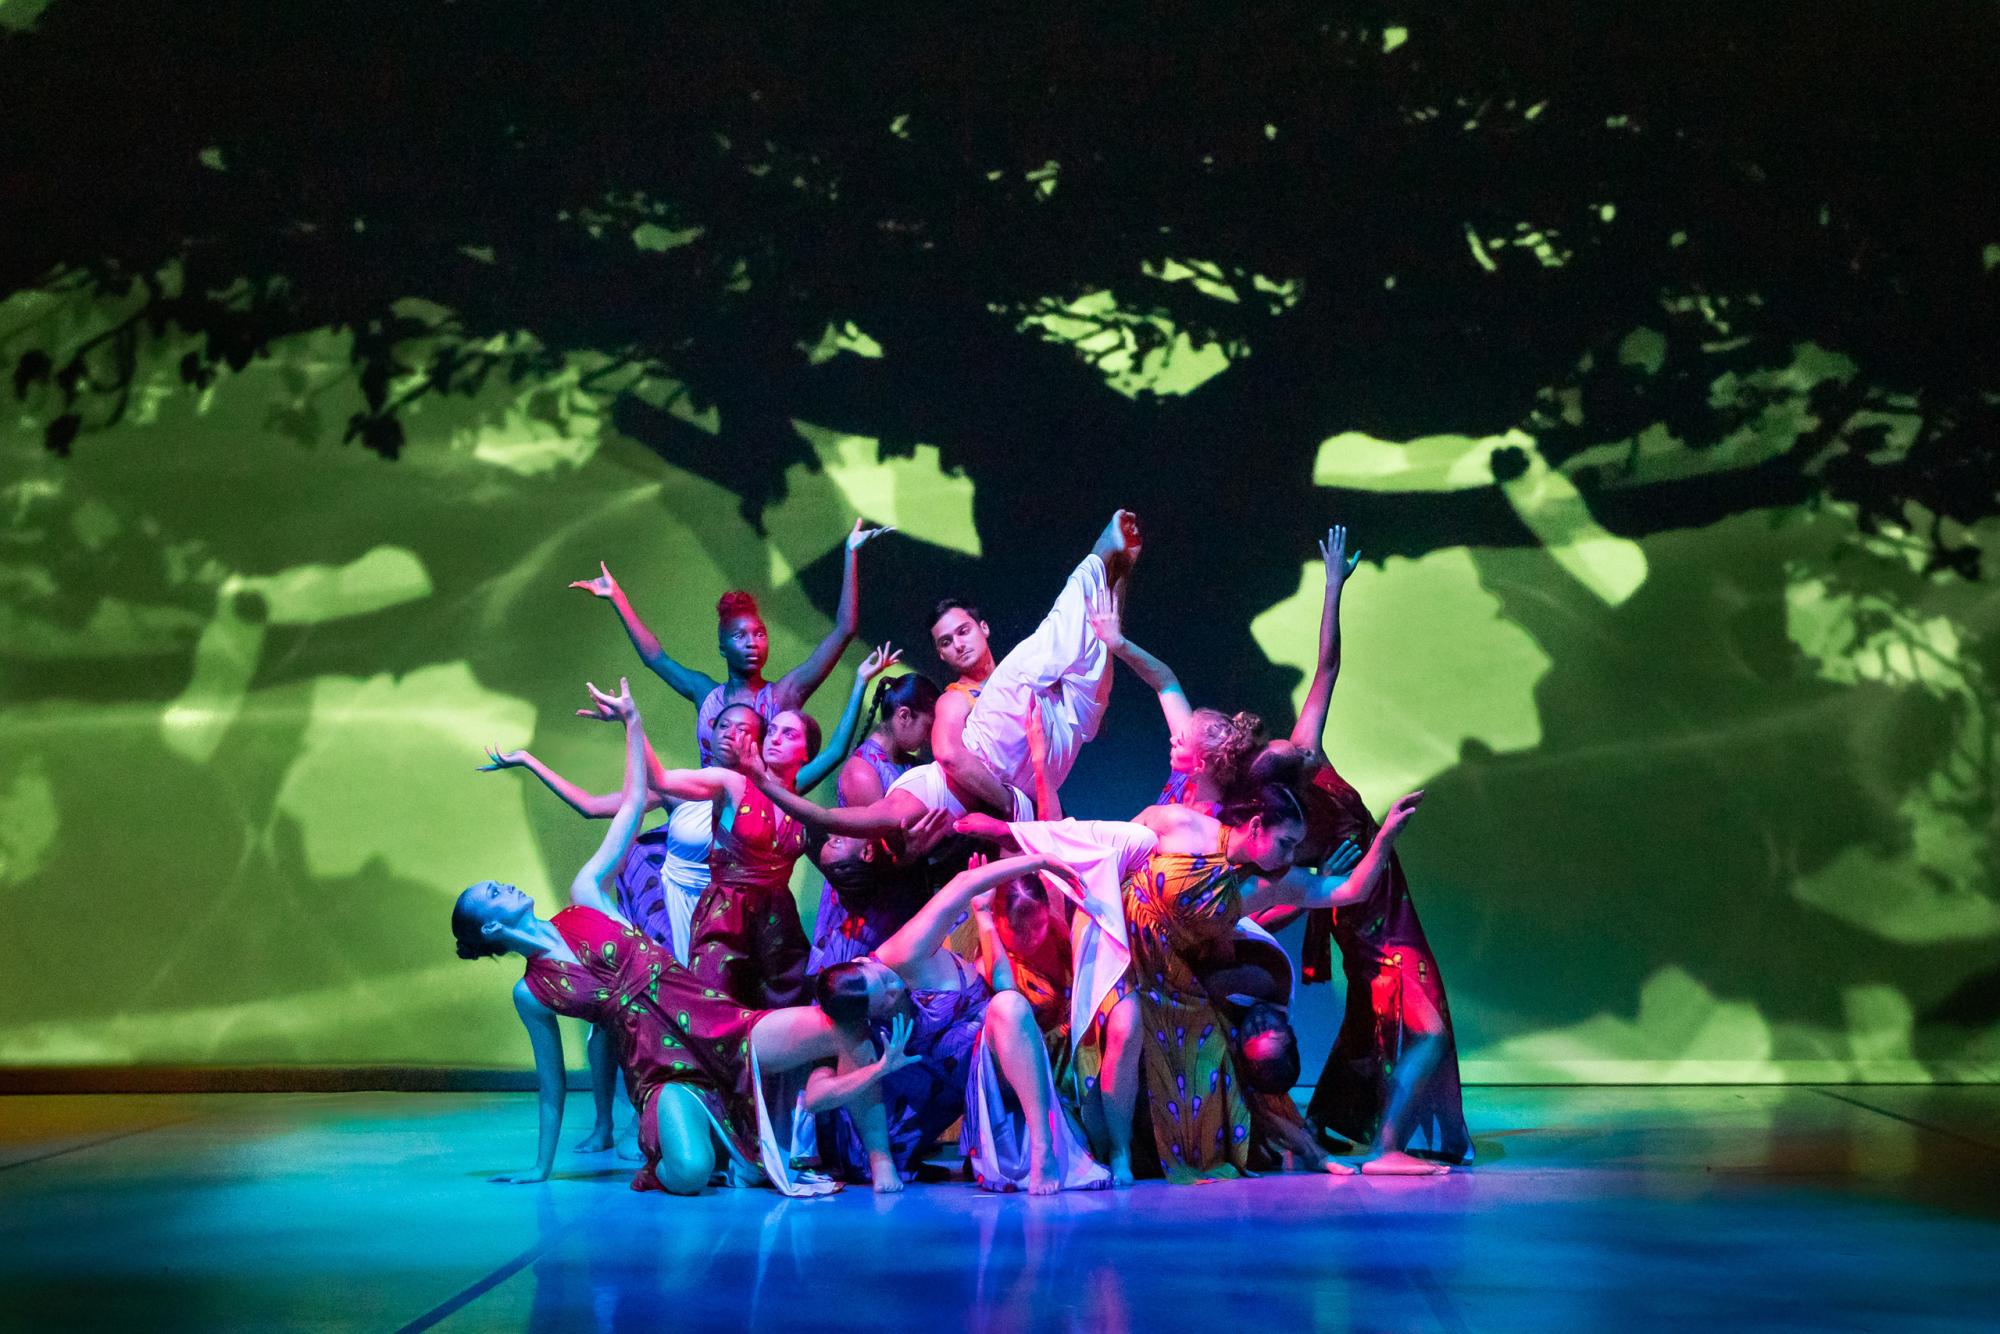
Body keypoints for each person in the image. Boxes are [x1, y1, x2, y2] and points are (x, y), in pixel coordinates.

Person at [963, 781, 1423, 1184]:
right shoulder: (1183, 827)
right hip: (1119, 948)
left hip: (1173, 978)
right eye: (1286, 843)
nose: (1290, 856)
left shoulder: (1271, 883)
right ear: (1257, 826)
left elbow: (1350, 890)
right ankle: (1120, 1151)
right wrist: (1005, 833)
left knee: (1227, 1062)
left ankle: (1310, 1151)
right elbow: (1101, 838)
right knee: (1125, 1027)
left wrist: (1385, 838)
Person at [1253, 524, 1472, 1174]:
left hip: (1394, 904)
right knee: (1424, 1030)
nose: (1308, 749)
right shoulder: (1284, 833)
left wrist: (1331, 586)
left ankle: (1346, 1127)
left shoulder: (1305, 753)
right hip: (1371, 928)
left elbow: (1327, 667)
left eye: (1303, 748)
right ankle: (1387, 1150)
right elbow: (1273, 912)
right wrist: (1321, 876)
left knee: (1375, 1033)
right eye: (1296, 755)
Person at [804, 852, 1104, 1194]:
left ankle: (1043, 1147)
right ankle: (878, 1158)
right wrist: (881, 1158)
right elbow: (814, 1096)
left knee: (1009, 1005)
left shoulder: (903, 955)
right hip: (885, 1130)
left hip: (971, 1079)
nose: (893, 988)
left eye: (883, 980)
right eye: (883, 1000)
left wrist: (1040, 861)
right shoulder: (857, 1023)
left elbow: (964, 885)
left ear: (864, 960)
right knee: (855, 1050)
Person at [570, 518, 893, 763]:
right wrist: (618, 597)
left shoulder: (784, 694)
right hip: (706, 820)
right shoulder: (705, 694)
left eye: (760, 634)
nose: (753, 642)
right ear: (722, 646)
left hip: (757, 828)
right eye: (740, 636)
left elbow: (844, 630)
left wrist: (851, 553)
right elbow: (656, 657)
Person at [808, 671, 944, 970]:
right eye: (928, 726)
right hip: (866, 911)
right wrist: (914, 853)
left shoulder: (907, 763)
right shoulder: (863, 771)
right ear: (904, 715)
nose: (930, 738)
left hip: (897, 899)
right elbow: (878, 857)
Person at [1082, 595, 1263, 813]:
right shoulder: (1188, 772)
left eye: (1183, 740)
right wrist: (1118, 643)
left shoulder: (1214, 825)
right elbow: (1165, 682)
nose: (1173, 738)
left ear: (1200, 765)